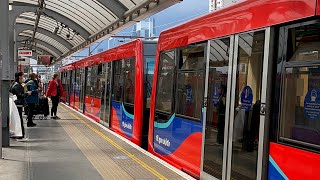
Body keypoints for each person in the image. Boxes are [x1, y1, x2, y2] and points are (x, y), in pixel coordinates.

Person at [9, 72, 31, 138]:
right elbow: (19, 95)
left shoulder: (17, 84)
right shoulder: (17, 85)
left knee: (18, 119)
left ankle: (19, 134)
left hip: (17, 104)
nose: (23, 78)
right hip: (17, 104)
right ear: (19, 77)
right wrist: (27, 94)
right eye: (22, 77)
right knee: (19, 119)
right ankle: (20, 134)